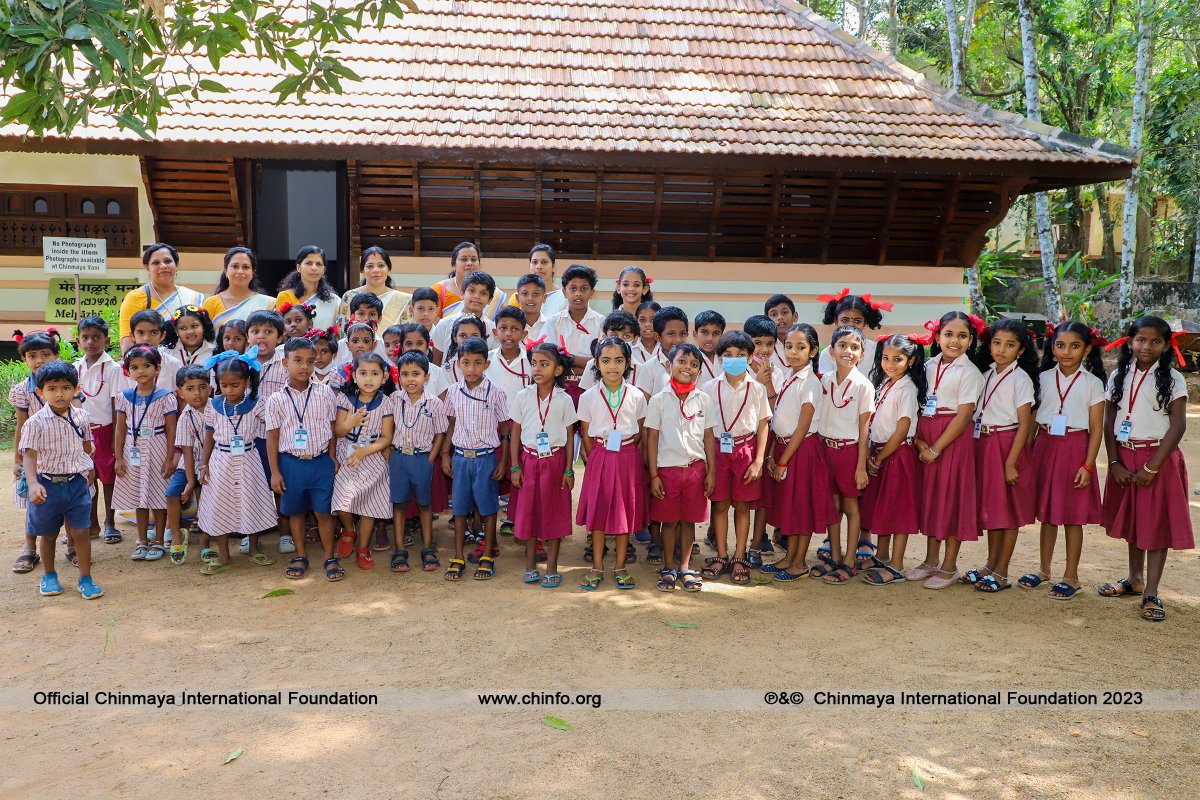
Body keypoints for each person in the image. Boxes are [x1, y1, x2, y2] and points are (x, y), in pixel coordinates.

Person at [1097, 316, 1193, 622]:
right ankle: (1135, 579)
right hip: (1125, 458)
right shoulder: (1119, 375)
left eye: (1155, 341)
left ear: (1166, 345)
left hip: (1158, 460)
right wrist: (1113, 462)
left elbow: (1177, 426)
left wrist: (1152, 468)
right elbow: (1109, 422)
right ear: (1130, 341)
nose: (1146, 346)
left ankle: (1151, 591)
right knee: (1134, 523)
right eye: (1140, 340)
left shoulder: (1173, 379)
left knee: (1156, 525)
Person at [1021, 321, 1106, 599]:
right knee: (1047, 514)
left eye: (1075, 346)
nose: (1066, 352)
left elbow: (1096, 429)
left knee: (1072, 517)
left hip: (1075, 448)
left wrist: (1088, 464)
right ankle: (1044, 570)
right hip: (1045, 446)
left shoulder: (1093, 384)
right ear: (1051, 347)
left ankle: (1072, 575)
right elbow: (1033, 422)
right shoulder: (1043, 378)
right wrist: (1028, 454)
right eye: (1060, 345)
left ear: (1087, 349)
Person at [909, 312, 986, 589]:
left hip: (951, 442)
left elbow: (964, 415)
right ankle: (931, 560)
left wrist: (936, 449)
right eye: (949, 334)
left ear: (970, 340)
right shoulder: (927, 365)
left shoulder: (970, 372)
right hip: (926, 438)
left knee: (952, 501)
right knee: (933, 500)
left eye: (962, 336)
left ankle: (950, 565)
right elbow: (917, 403)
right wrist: (920, 442)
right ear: (938, 336)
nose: (954, 341)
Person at [962, 319, 1039, 594]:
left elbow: (1025, 424)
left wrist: (1010, 462)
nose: (1001, 349)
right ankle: (989, 566)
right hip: (984, 443)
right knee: (991, 510)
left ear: (1020, 350)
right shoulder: (986, 374)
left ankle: (1003, 572)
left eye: (1010, 345)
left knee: (1007, 513)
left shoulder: (1021, 379)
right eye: (996, 343)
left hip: (1007, 445)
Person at [21, 361, 103, 599]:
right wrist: (34, 483)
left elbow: (88, 447)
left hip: (77, 485)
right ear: (40, 391)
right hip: (47, 486)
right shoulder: (35, 423)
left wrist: (88, 469)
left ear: (76, 389)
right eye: (52, 388)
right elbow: (29, 455)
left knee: (81, 532)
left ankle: (85, 578)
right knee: (48, 535)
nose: (59, 393)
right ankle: (49, 575)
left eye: (66, 387)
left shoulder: (82, 417)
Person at [700, 330, 772, 585]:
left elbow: (763, 424)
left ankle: (740, 556)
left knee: (742, 506)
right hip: (718, 450)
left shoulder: (757, 388)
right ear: (720, 358)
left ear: (750, 357)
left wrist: (759, 460)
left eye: (741, 355)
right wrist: (708, 461)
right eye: (728, 355)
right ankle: (721, 554)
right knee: (719, 504)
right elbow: (706, 428)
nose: (734, 359)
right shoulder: (708, 388)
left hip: (745, 450)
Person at [575, 337, 647, 590]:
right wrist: (594, 457)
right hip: (600, 456)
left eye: (619, 361)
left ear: (627, 363)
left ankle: (620, 566)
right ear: (597, 363)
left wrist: (626, 448)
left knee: (624, 511)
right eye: (606, 361)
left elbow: (639, 432)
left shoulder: (637, 395)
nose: (612, 367)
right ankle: (597, 566)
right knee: (599, 510)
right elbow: (585, 433)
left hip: (628, 457)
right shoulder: (588, 396)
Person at [764, 323, 835, 580]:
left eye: (800, 347)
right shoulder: (788, 377)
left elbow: (803, 426)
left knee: (802, 507)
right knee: (790, 507)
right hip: (785, 447)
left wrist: (783, 460)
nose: (793, 352)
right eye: (789, 346)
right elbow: (777, 417)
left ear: (813, 351)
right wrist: (773, 454)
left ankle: (800, 562)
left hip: (801, 451)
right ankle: (789, 557)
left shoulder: (810, 382)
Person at [199, 350, 279, 575]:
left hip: (249, 460)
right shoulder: (213, 405)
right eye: (223, 385)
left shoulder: (257, 404)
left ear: (246, 382)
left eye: (235, 385)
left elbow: (273, 428)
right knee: (218, 506)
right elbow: (208, 436)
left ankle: (254, 548)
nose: (229, 390)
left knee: (250, 502)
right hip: (220, 463)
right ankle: (224, 555)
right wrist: (203, 464)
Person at [267, 337, 340, 581]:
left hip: (320, 463)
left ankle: (330, 556)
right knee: (296, 513)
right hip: (291, 463)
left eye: (310, 361)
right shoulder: (276, 399)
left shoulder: (325, 393)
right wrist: (275, 472)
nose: (305, 367)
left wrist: (331, 457)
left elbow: (332, 427)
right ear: (284, 362)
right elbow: (273, 438)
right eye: (297, 361)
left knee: (323, 512)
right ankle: (300, 554)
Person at [645, 343, 716, 592]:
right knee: (669, 521)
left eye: (694, 365)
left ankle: (684, 567)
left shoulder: (704, 400)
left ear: (700, 371)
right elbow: (651, 438)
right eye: (682, 362)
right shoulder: (658, 400)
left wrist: (711, 472)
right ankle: (668, 567)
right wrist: (653, 475)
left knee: (688, 521)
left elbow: (708, 437)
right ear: (669, 365)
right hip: (667, 471)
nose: (688, 367)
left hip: (696, 470)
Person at [440, 336, 511, 582]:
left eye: (477, 363)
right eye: (466, 363)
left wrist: (503, 462)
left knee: (489, 509)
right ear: (458, 364)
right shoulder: (452, 392)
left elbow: (505, 429)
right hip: (460, 458)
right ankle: (458, 556)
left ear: (486, 364)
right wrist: (445, 453)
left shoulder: (496, 393)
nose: (471, 369)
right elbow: (450, 425)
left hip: (486, 459)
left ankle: (487, 555)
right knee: (459, 509)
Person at [508, 342, 578, 588]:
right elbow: (515, 432)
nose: (537, 369)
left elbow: (569, 437)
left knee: (553, 513)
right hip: (528, 460)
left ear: (557, 370)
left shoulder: (565, 399)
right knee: (529, 513)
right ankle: (530, 565)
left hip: (555, 462)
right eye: (534, 363)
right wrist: (515, 467)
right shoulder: (522, 396)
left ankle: (551, 567)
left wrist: (569, 469)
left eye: (544, 364)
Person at [858, 333, 925, 585]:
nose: (890, 364)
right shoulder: (885, 382)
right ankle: (883, 555)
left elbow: (901, 429)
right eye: (886, 358)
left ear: (911, 361)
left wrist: (880, 457)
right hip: (882, 452)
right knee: (884, 507)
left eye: (898, 359)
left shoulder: (906, 388)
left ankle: (896, 565)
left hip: (897, 454)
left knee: (898, 510)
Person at [812, 326, 874, 585]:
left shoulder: (863, 386)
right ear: (832, 349)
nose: (848, 351)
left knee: (851, 506)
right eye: (843, 345)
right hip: (825, 450)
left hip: (849, 451)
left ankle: (850, 560)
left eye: (855, 347)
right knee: (832, 505)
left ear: (861, 354)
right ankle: (835, 555)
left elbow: (864, 429)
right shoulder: (823, 380)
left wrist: (861, 466)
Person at [113, 344, 178, 562]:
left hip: (158, 448)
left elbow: (171, 429)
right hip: (134, 450)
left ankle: (159, 540)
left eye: (146, 366)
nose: (141, 371)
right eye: (135, 367)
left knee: (159, 496)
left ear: (157, 368)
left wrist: (170, 458)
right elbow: (120, 429)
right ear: (128, 371)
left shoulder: (166, 396)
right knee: (139, 497)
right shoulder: (123, 397)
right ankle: (142, 540)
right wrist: (119, 457)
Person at [332, 353, 397, 570]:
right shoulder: (344, 399)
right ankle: (349, 529)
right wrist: (350, 422)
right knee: (342, 500)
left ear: (384, 377)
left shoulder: (386, 403)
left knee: (370, 504)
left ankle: (363, 547)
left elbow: (387, 437)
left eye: (375, 373)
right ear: (354, 375)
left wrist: (365, 451)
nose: (369, 378)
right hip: (348, 454)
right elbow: (339, 431)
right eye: (363, 373)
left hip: (373, 455)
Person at [390, 351, 448, 573]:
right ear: (399, 377)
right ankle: (399, 550)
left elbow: (440, 433)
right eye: (404, 374)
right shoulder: (394, 400)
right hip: (399, 458)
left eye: (416, 373)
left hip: (422, 458)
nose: (410, 379)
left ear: (426, 377)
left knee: (425, 504)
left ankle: (427, 547)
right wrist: (390, 454)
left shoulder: (433, 403)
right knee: (399, 504)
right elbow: (389, 428)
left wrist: (431, 459)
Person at [74, 316, 120, 545]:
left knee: (108, 478)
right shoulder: (74, 369)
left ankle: (111, 523)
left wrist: (115, 439)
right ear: (78, 341)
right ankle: (91, 523)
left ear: (107, 340)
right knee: (86, 479)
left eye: (96, 337)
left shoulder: (114, 369)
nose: (91, 342)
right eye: (85, 337)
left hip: (106, 431)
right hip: (81, 433)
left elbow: (116, 406)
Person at [118, 243, 205, 351]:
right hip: (153, 364)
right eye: (155, 263)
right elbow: (127, 340)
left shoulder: (193, 296)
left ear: (176, 264)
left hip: (192, 362)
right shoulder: (136, 298)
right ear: (147, 267)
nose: (163, 266)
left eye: (168, 261)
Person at [166, 365, 211, 566]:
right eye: (190, 389)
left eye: (202, 387)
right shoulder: (184, 417)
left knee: (206, 500)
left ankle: (205, 541)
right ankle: (177, 535)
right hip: (189, 464)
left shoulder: (216, 409)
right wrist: (191, 481)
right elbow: (186, 451)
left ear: (210, 388)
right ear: (180, 393)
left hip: (213, 464)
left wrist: (202, 473)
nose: (197, 393)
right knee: (172, 494)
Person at [542, 264, 603, 406]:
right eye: (573, 289)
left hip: (592, 390)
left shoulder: (602, 323)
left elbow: (602, 362)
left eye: (584, 289)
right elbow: (548, 359)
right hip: (559, 389)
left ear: (592, 292)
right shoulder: (553, 323)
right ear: (564, 291)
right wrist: (587, 364)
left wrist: (569, 359)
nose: (578, 294)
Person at [817, 289, 891, 377]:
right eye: (845, 320)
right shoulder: (827, 353)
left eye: (857, 321)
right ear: (836, 321)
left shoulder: (876, 350)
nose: (851, 325)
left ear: (865, 323)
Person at [338, 246, 412, 331]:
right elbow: (342, 333)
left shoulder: (404, 300)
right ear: (362, 270)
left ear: (389, 269)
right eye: (370, 266)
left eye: (381, 265)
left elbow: (408, 335)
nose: (376, 270)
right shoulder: (350, 296)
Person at [431, 271, 499, 363]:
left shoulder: (492, 329)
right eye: (471, 291)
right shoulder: (445, 324)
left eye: (483, 293)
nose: (476, 296)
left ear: (490, 299)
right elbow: (436, 363)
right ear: (462, 294)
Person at [202, 247, 276, 327]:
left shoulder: (268, 304)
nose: (240, 271)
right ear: (225, 271)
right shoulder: (211, 304)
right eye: (235, 266)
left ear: (252, 273)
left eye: (246, 267)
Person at [434, 242, 507, 320]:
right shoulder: (439, 291)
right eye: (464, 259)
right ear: (453, 265)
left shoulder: (495, 294)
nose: (469, 263)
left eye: (473, 259)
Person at [275, 245, 340, 329]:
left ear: (323, 270)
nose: (314, 268)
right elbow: (282, 330)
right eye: (309, 263)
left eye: (318, 264)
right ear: (298, 268)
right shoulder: (285, 296)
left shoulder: (333, 301)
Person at [160, 306, 216, 391]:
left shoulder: (214, 353)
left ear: (203, 326)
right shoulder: (165, 352)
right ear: (176, 331)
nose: (190, 331)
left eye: (194, 326)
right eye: (183, 328)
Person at [508, 244, 565, 318]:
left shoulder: (564, 297)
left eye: (544, 262)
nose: (539, 267)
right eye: (534, 262)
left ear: (553, 267)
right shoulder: (517, 298)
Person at [764, 294, 797, 370]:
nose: (780, 317)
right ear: (767, 320)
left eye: (784, 312)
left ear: (795, 316)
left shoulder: (804, 340)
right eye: (774, 314)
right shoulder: (765, 346)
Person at [693, 310, 725, 384]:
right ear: (695, 334)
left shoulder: (726, 359)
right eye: (704, 332)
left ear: (722, 336)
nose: (710, 338)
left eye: (716, 333)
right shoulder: (689, 359)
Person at [513, 274, 548, 339]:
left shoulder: (550, 325)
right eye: (525, 294)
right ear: (517, 298)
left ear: (544, 298)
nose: (530, 298)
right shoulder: (509, 325)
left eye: (536, 294)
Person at [633, 300, 661, 365]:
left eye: (652, 320)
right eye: (642, 320)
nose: (647, 324)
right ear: (636, 321)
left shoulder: (667, 347)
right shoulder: (631, 349)